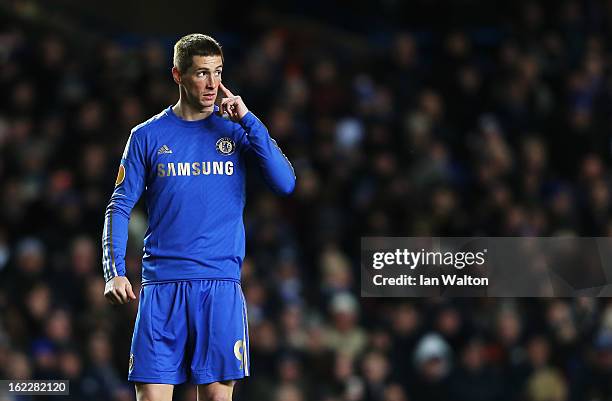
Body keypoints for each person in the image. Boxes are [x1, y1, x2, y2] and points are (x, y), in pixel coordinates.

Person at [101, 33, 296, 401]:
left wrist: (249, 120)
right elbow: (120, 205)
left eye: (218, 73)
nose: (212, 85)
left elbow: (285, 184)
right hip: (162, 287)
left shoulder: (236, 131)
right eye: (202, 74)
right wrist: (115, 272)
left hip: (219, 285)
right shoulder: (147, 135)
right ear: (178, 75)